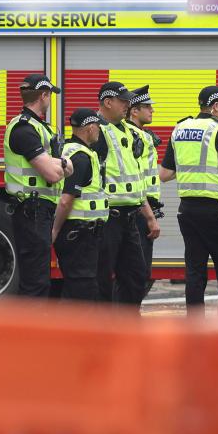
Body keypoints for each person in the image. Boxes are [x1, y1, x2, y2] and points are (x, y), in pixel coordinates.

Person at [159, 86, 218, 312]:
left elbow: (165, 174)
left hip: (187, 210)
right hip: (215, 208)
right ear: (216, 106)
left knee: (194, 269)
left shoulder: (180, 128)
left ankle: (194, 325)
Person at [3, 74, 73, 298]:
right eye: (50, 95)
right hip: (31, 211)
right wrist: (62, 163)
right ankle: (29, 330)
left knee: (40, 275)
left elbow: (59, 167)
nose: (50, 99)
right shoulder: (24, 129)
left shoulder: (39, 127)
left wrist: (59, 164)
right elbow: (53, 173)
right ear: (43, 95)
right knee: (36, 280)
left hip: (41, 210)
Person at [93, 81, 160, 307]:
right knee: (101, 279)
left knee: (136, 276)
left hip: (131, 215)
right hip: (106, 217)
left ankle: (127, 329)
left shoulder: (130, 132)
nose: (127, 105)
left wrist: (149, 216)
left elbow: (135, 179)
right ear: (107, 102)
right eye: (123, 101)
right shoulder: (94, 130)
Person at [51, 109, 109, 302]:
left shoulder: (67, 150)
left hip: (79, 232)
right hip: (79, 233)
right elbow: (67, 199)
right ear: (90, 128)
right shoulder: (82, 157)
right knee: (82, 289)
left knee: (77, 286)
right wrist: (55, 230)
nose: (99, 131)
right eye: (98, 127)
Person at [126, 85, 162, 285]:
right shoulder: (134, 137)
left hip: (142, 208)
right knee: (138, 273)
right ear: (134, 110)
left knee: (137, 272)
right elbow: (137, 179)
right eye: (147, 107)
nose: (152, 111)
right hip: (140, 210)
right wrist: (149, 216)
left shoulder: (140, 134)